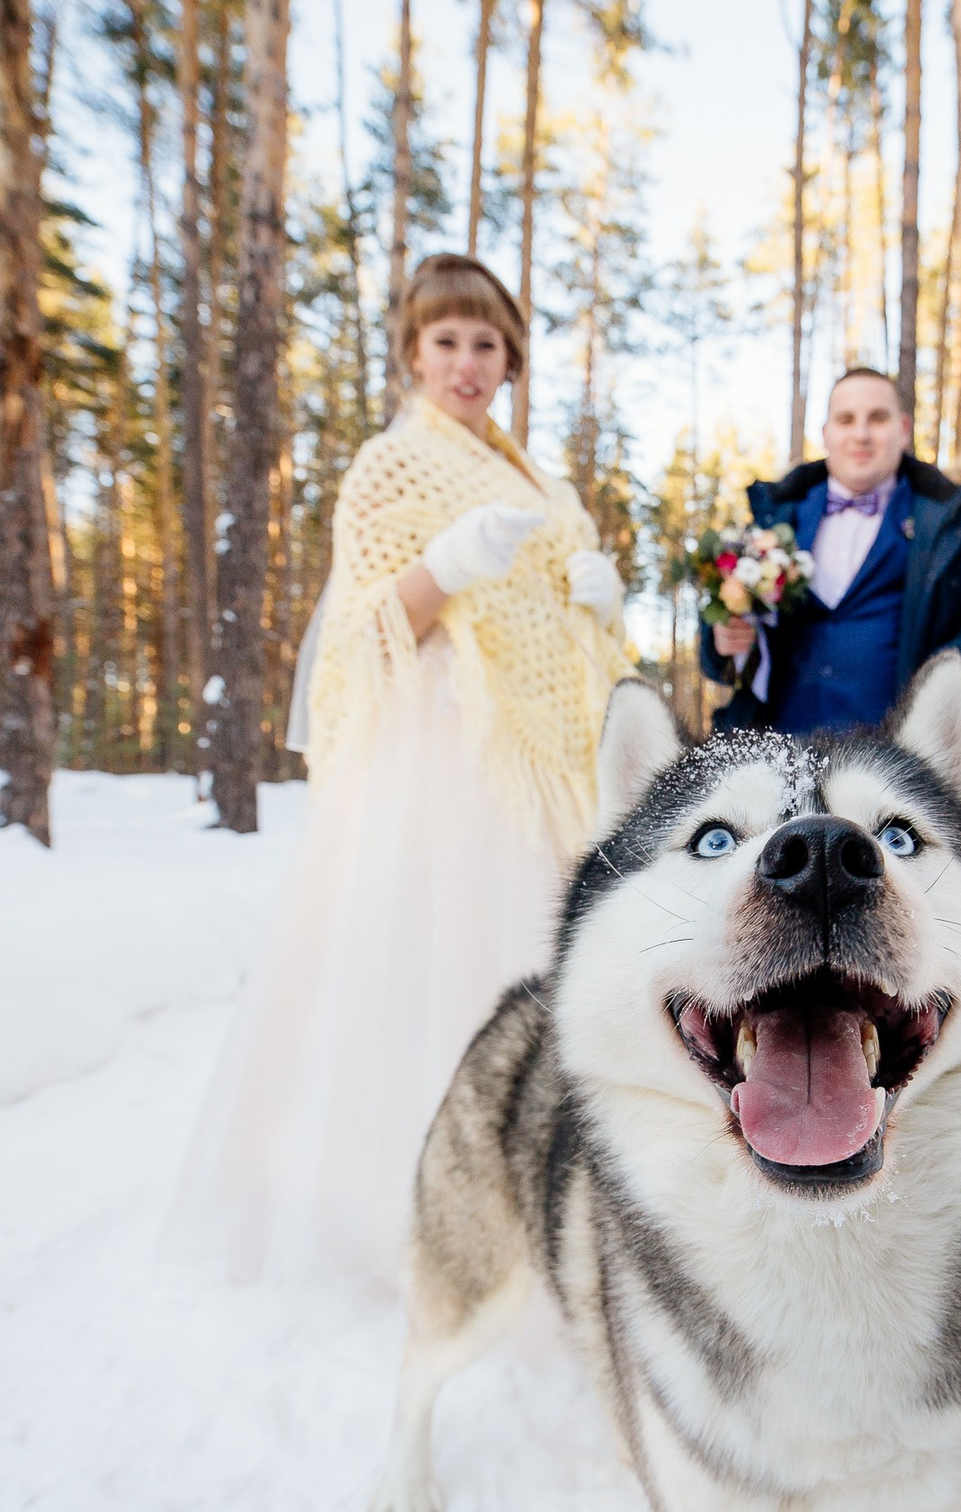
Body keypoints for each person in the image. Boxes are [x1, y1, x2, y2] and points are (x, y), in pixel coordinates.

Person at [167, 254, 632, 1289]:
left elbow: (562, 635)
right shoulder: (391, 467)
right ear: (413, 353)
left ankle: (537, 1199)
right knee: (441, 973)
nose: (466, 364)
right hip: (446, 762)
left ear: (510, 356)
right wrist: (446, 568)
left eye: (484, 343)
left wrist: (598, 604)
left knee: (543, 977)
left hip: (543, 769)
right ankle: (410, 1216)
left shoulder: (539, 483)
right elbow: (358, 639)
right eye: (445, 342)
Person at [701, 367, 961, 736]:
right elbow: (721, 656)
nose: (861, 434)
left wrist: (949, 677)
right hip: (775, 757)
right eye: (845, 420)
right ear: (826, 434)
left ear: (903, 429)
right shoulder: (774, 516)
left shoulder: (959, 521)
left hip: (898, 768)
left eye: (877, 418)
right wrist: (723, 641)